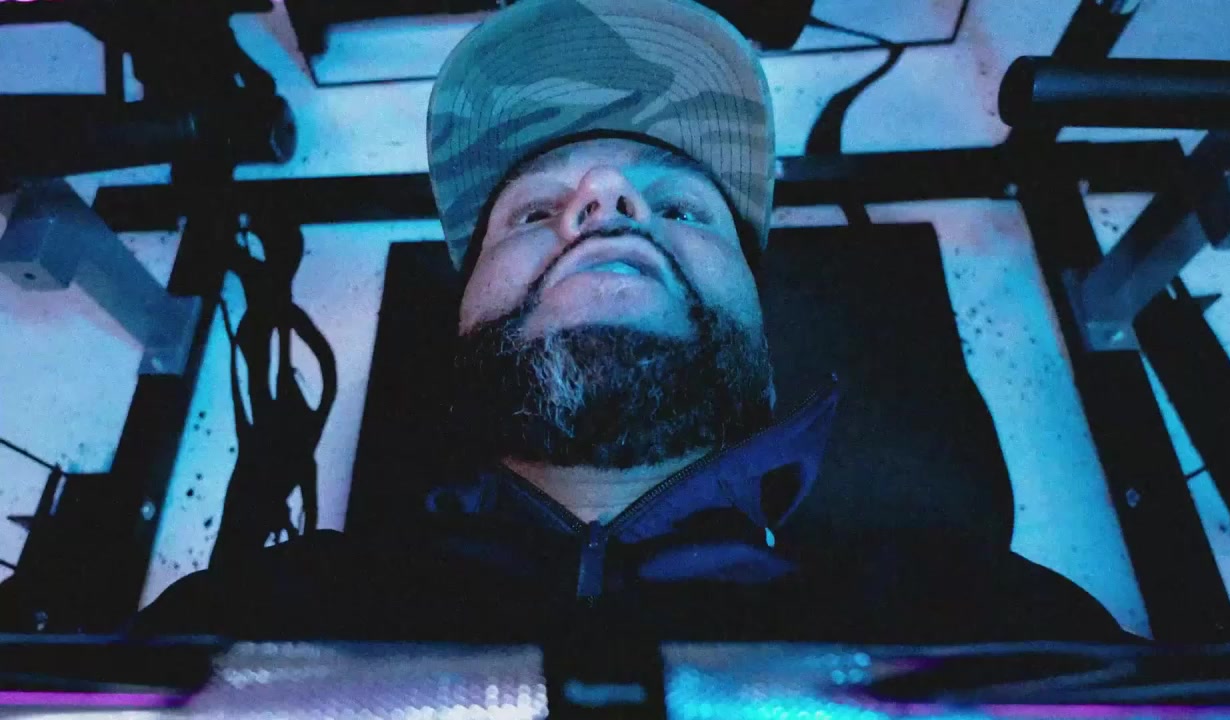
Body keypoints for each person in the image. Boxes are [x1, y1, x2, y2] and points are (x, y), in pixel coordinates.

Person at [134, 0, 1130, 643]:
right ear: (459, 329)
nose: (605, 199)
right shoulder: (247, 625)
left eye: (682, 207)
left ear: (761, 345)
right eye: (534, 213)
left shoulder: (987, 626)